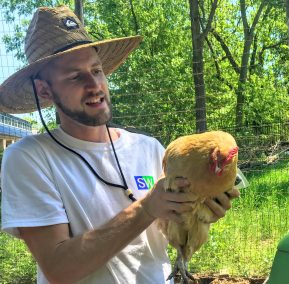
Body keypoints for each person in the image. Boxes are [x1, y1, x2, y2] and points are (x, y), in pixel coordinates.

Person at [0, 6, 239, 284]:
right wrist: (147, 207)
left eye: (96, 70)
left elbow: (167, 231)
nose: (95, 85)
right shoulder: (29, 158)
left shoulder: (149, 148)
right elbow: (58, 269)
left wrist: (202, 211)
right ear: (44, 90)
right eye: (76, 76)